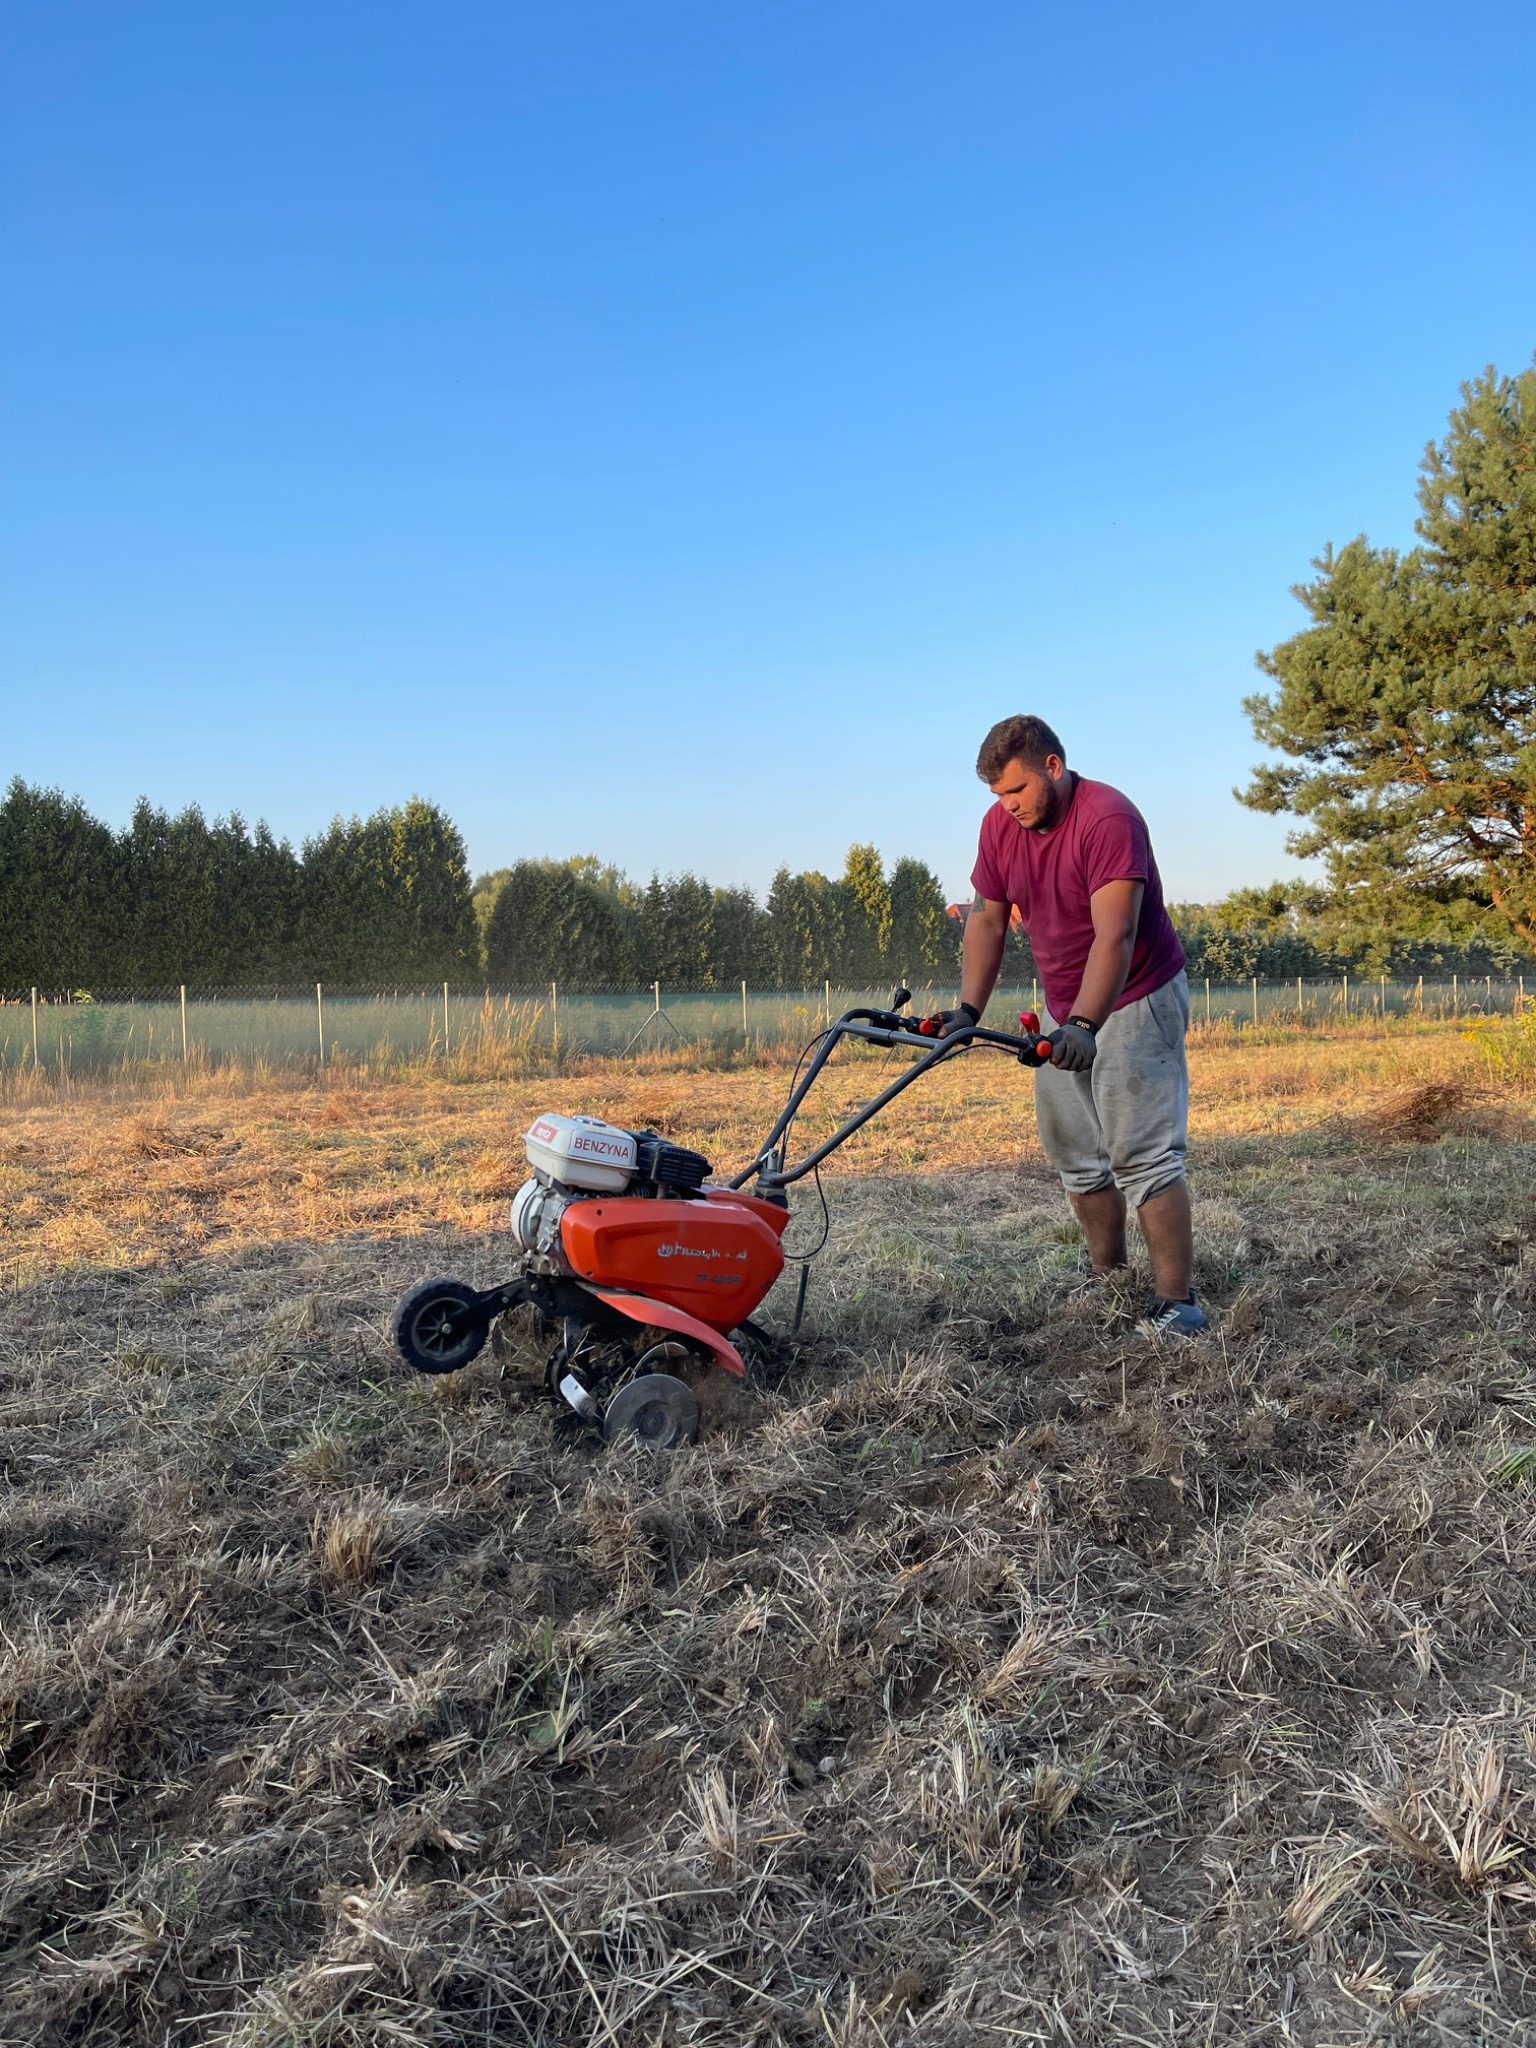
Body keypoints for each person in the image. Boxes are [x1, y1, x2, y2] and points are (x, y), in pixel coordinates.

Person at [938, 714, 1206, 1336]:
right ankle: (1110, 1279)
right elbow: (987, 919)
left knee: (1143, 1155)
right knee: (1078, 1157)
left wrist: (1085, 1023)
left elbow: (1117, 934)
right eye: (998, 795)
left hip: (1137, 993)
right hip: (1066, 1002)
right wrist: (967, 1012)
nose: (1008, 805)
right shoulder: (999, 827)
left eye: (1017, 789)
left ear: (1052, 767)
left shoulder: (1107, 818)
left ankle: (1177, 1302)